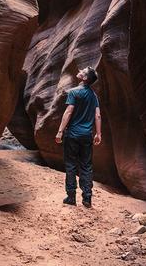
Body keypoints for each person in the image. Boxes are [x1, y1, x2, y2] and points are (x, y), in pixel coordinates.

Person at [55, 66, 101, 208]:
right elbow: (97, 115)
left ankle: (71, 197)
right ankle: (87, 198)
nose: (80, 70)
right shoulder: (94, 96)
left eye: (83, 71)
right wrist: (98, 134)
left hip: (72, 135)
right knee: (86, 166)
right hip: (86, 136)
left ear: (84, 78)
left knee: (71, 165)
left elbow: (68, 112)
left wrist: (60, 131)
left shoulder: (74, 92)